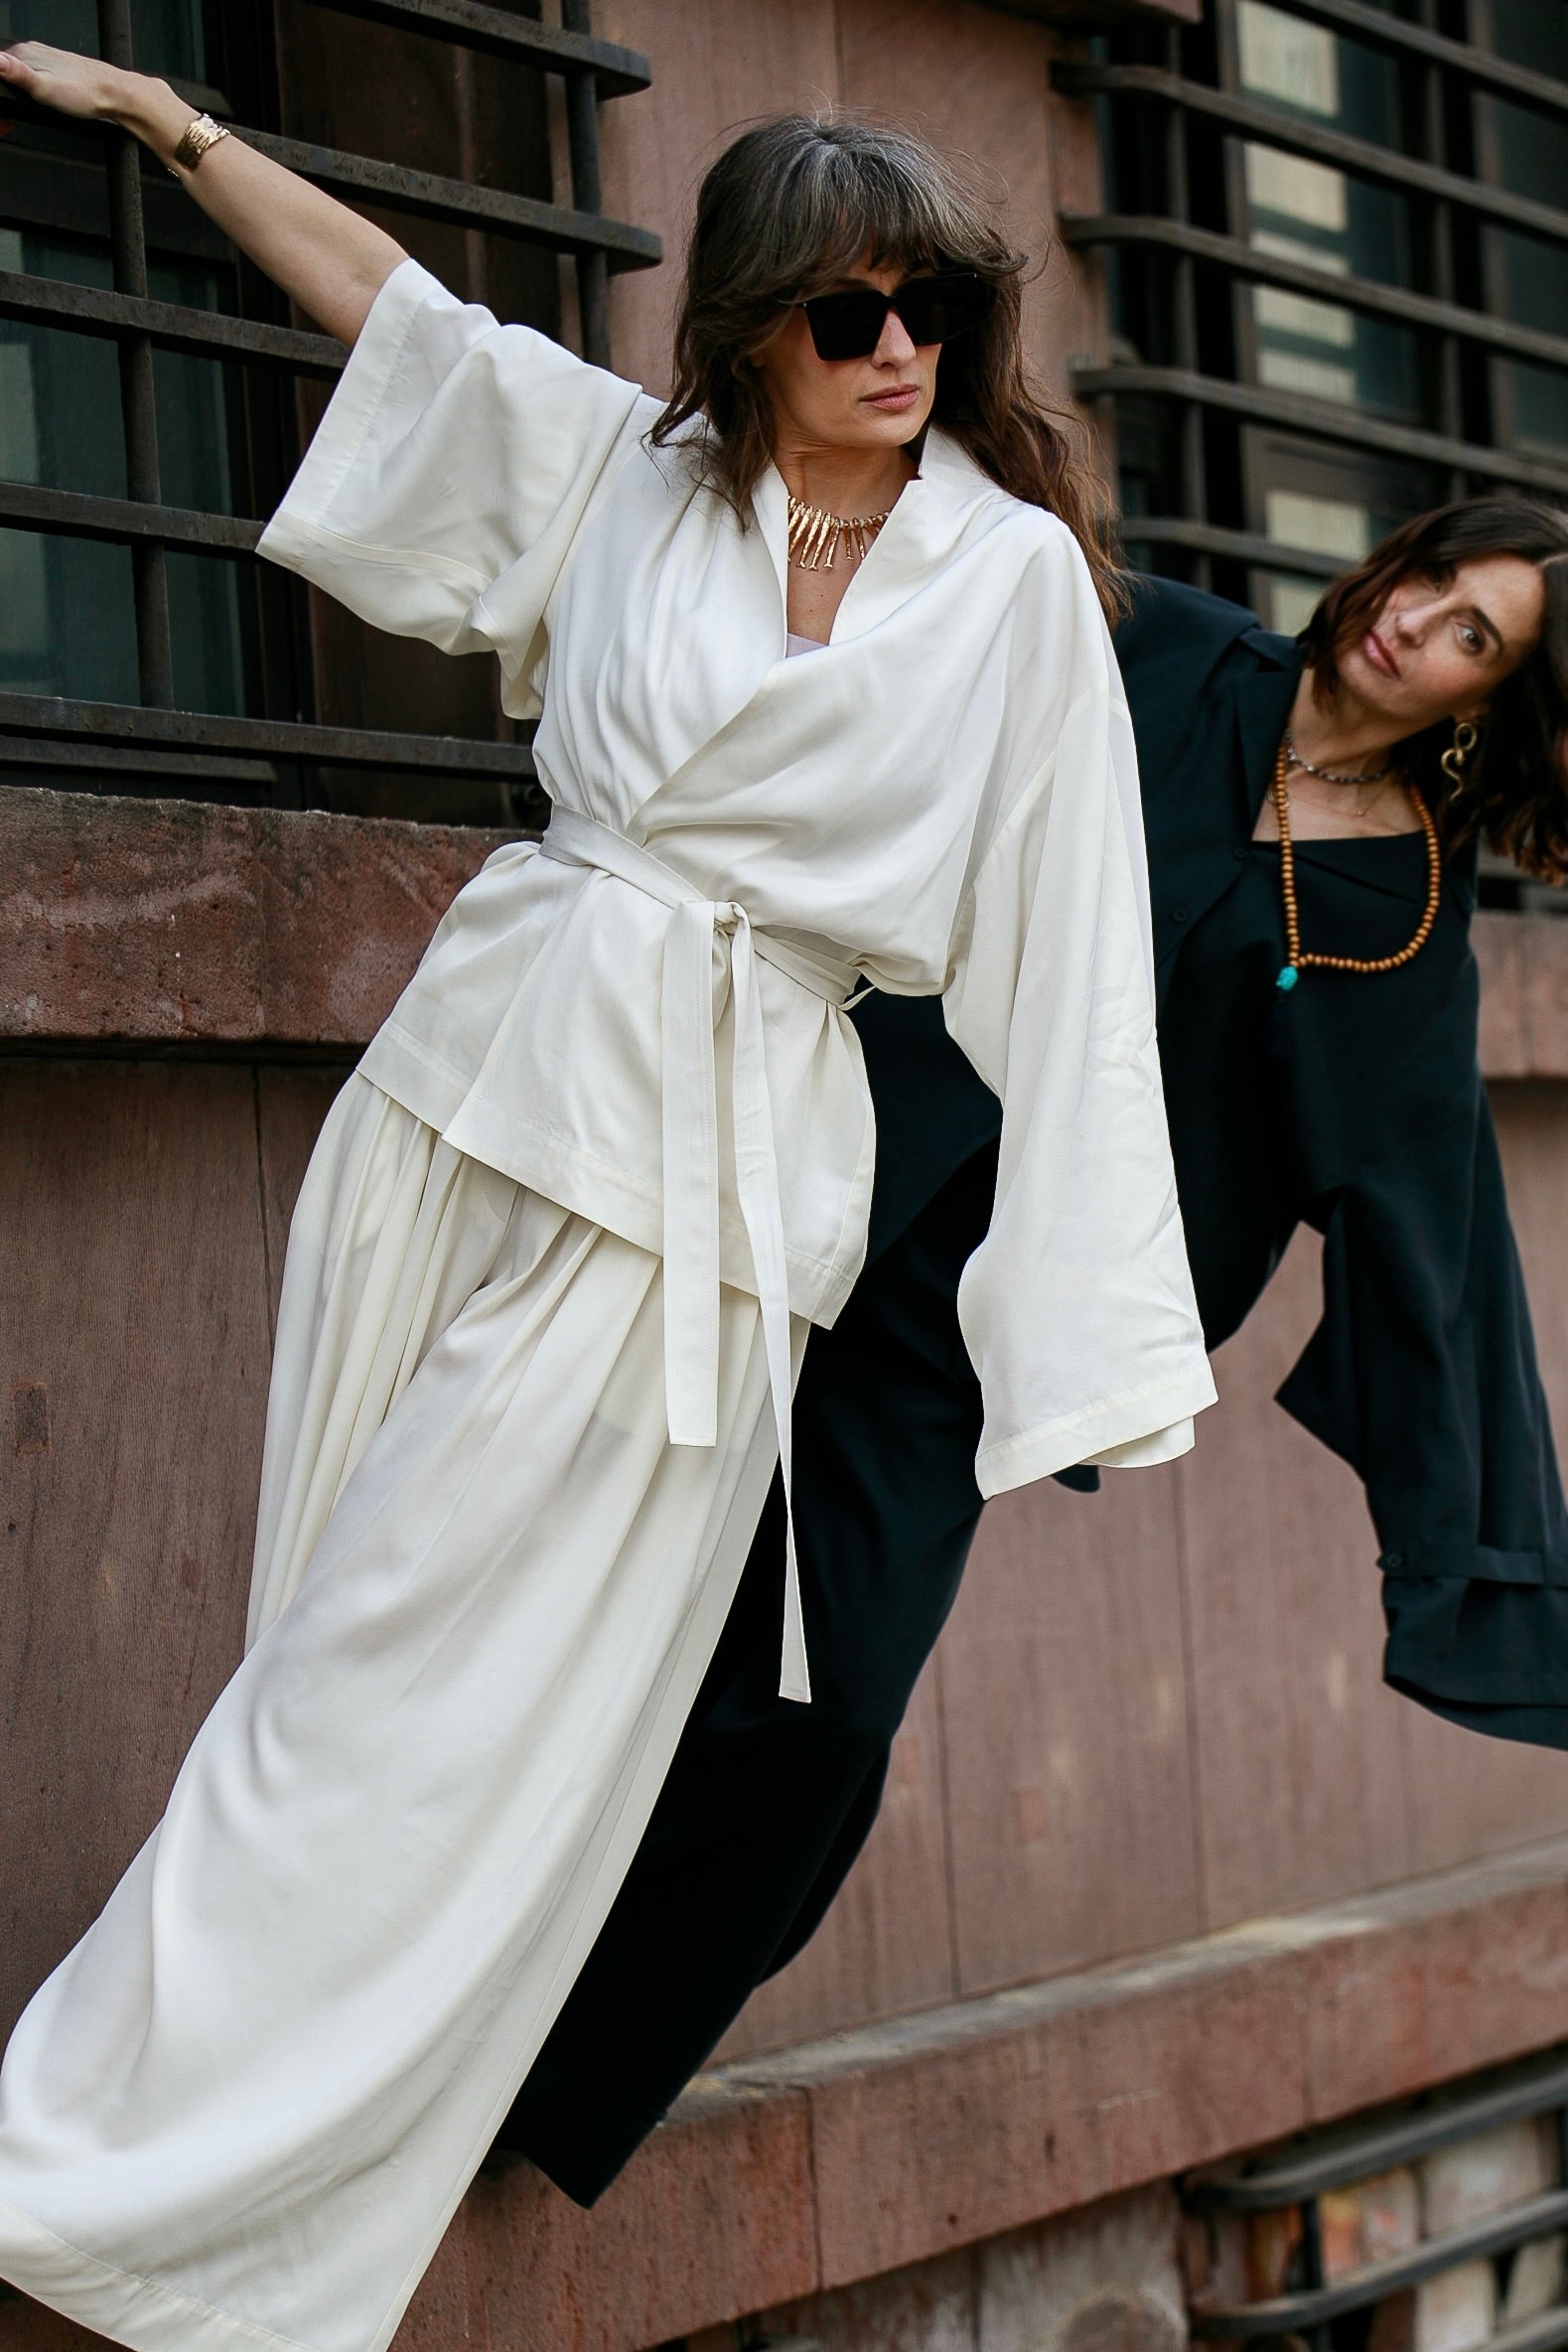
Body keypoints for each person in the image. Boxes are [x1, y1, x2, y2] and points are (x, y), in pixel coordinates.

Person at [0, 41, 1217, 2352]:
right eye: (844, 309)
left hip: (712, 1188)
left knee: (404, 1686)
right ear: (750, 323)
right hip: (471, 1086)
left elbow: (1071, 965)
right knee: (329, 1644)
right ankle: (206, 2185)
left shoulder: (1011, 587)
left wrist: (1079, 1333)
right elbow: (395, 317)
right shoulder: (632, 481)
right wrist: (174, 127)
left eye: (932, 307)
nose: (895, 348)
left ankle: (81, 2169)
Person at [497, 499, 1568, 2209]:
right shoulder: (1152, 644)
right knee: (560, 1595)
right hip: (788, 1166)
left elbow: (1427, 1222)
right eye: (1435, 577)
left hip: (966, 1326)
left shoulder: (1397, 911)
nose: (1418, 622)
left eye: (1475, 637)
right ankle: (411, 1991)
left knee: (827, 1713)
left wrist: (1483, 1559)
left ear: (1489, 705)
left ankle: (542, 2084)